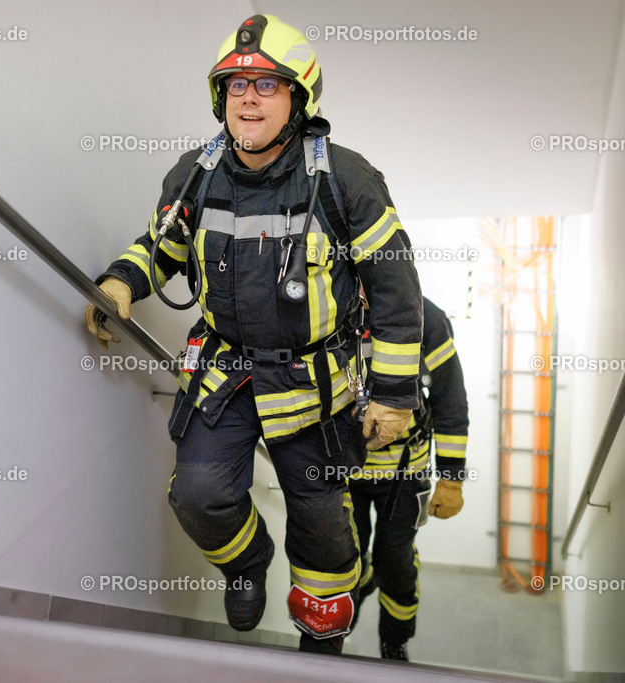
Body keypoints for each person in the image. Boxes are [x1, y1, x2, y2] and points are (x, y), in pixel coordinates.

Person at [85, 15, 423, 655]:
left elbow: (396, 293)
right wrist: (123, 282)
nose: (248, 97)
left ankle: (321, 645)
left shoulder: (349, 180)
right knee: (198, 496)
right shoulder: (194, 174)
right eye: (235, 84)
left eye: (267, 85)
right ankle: (247, 564)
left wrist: (394, 395)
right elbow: (162, 248)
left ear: (299, 98)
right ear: (220, 98)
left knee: (325, 529)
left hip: (316, 389)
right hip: (226, 376)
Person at [348, 296, 469, 661]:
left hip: (404, 470)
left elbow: (451, 401)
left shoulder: (426, 318)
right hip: (343, 467)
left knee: (396, 563)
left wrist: (451, 479)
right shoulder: (330, 304)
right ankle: (344, 615)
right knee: (342, 557)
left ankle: (395, 641)